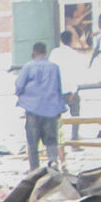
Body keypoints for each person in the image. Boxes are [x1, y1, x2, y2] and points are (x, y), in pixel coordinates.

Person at [15, 42, 66, 171]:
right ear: (45, 52)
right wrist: (60, 107)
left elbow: (19, 85)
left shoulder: (28, 67)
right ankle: (53, 162)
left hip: (32, 109)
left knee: (32, 142)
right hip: (50, 109)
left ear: (33, 53)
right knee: (51, 140)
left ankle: (34, 169)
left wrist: (22, 96)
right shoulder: (54, 67)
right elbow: (59, 88)